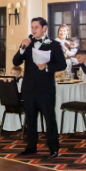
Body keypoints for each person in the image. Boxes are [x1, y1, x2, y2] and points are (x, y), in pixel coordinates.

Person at [13, 17, 66, 157]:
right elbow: (15, 61)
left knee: (49, 119)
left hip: (45, 88)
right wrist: (21, 49)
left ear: (44, 28)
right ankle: (31, 147)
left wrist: (48, 66)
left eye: (36, 27)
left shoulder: (54, 45)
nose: (33, 30)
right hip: (29, 88)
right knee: (30, 119)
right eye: (32, 27)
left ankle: (53, 148)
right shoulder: (28, 44)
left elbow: (62, 64)